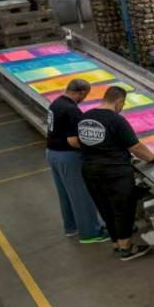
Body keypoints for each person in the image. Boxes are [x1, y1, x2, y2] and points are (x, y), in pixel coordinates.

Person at [77, 85, 154, 260]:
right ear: (119, 101)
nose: (122, 108)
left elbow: (80, 142)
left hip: (90, 171)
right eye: (123, 104)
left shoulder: (85, 117)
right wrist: (152, 158)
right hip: (114, 172)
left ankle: (116, 243)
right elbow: (135, 147)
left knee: (105, 208)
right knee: (123, 209)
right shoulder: (116, 120)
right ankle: (127, 248)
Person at [45, 78, 108, 244]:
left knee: (65, 193)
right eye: (85, 96)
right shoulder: (72, 110)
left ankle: (71, 227)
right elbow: (73, 140)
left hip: (52, 153)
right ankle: (91, 233)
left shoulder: (56, 103)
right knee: (81, 194)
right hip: (68, 156)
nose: (84, 99)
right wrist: (96, 148)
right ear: (81, 92)